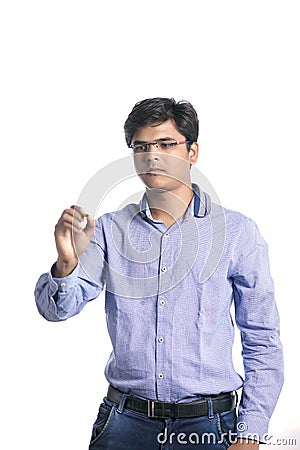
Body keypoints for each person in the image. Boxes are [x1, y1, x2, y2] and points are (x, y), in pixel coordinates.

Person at [34, 97, 284, 449]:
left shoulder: (236, 233)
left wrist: (251, 430)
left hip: (211, 426)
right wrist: (66, 261)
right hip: (124, 424)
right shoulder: (109, 230)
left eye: (166, 144)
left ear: (192, 151)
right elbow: (56, 310)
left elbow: (262, 338)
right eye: (142, 146)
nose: (153, 155)